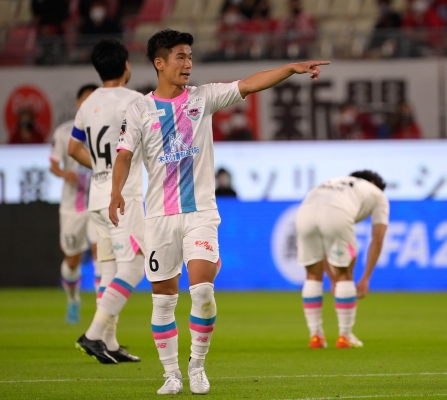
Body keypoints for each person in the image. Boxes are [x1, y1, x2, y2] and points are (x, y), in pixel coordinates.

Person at [109, 28, 328, 395]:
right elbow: (124, 156)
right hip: (159, 216)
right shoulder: (139, 110)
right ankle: (171, 375)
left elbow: (250, 84)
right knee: (163, 300)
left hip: (201, 214)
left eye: (190, 57)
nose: (188, 64)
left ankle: (196, 365)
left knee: (202, 292)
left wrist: (290, 68)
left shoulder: (203, 97)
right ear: (159, 63)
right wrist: (116, 192)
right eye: (180, 57)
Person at [68, 39, 145, 364]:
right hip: (122, 197)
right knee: (136, 265)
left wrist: (101, 167)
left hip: (96, 197)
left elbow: (73, 148)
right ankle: (93, 333)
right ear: (126, 66)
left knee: (109, 268)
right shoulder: (135, 100)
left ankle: (109, 343)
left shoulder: (88, 104)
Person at [295, 170, 389, 349]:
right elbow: (377, 240)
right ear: (373, 183)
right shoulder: (377, 194)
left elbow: (323, 246)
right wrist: (366, 278)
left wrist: (332, 279)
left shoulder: (333, 181)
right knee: (345, 274)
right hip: (336, 213)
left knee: (312, 275)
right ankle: (345, 336)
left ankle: (316, 336)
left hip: (304, 212)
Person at [49, 83, 100, 323]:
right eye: (86, 100)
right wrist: (64, 174)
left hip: (99, 202)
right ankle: (73, 300)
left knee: (101, 254)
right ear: (78, 103)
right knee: (72, 260)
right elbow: (53, 164)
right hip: (73, 206)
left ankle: (103, 314)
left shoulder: (106, 131)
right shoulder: (64, 132)